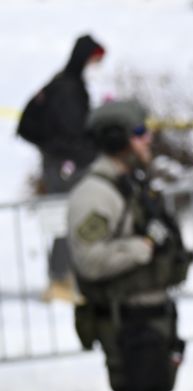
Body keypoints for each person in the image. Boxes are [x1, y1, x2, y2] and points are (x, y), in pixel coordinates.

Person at [67, 100, 192, 391]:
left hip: (151, 318)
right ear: (118, 138)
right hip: (127, 323)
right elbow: (89, 259)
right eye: (139, 131)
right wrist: (142, 247)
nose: (148, 139)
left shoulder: (131, 184)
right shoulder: (96, 194)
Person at [19, 35, 105, 304]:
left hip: (64, 162)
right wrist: (92, 152)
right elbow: (70, 134)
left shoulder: (67, 83)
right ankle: (59, 279)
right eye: (95, 61)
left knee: (71, 218)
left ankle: (66, 276)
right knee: (66, 219)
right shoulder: (68, 88)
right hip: (65, 166)